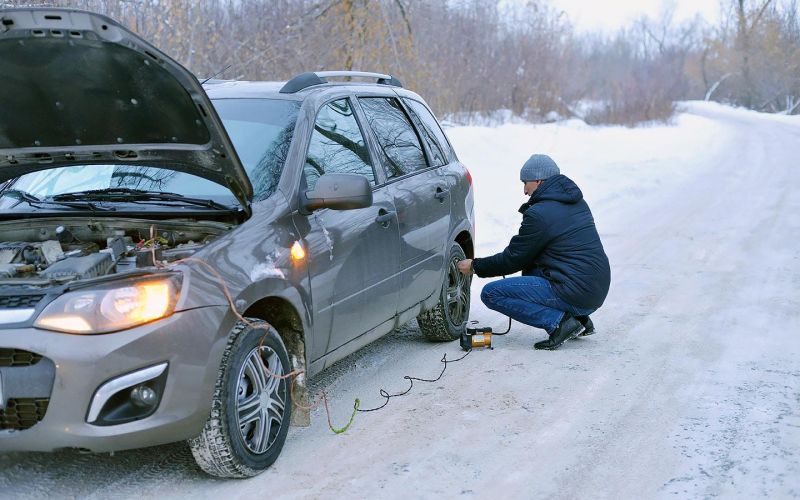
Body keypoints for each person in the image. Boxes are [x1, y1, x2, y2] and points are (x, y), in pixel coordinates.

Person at [457, 154, 610, 350]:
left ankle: (559, 323)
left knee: (491, 293)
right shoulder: (577, 203)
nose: (524, 191)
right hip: (595, 289)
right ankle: (581, 319)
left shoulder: (541, 213)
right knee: (531, 268)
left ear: (538, 180)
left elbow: (514, 258)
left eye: (525, 183)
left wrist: (475, 266)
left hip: (576, 292)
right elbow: (527, 257)